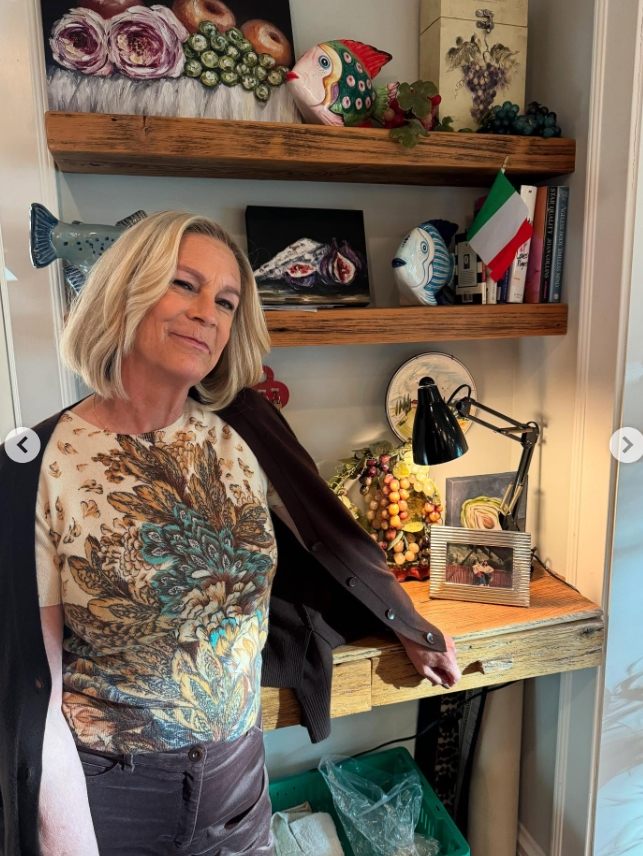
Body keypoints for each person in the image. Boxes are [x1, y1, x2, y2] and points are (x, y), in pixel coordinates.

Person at [0, 211, 461, 856]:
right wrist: (64, 839)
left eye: (225, 301)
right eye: (184, 284)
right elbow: (35, 693)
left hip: (237, 784)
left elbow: (329, 532)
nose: (207, 314)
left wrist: (406, 623)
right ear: (126, 291)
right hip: (112, 796)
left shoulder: (243, 427)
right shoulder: (38, 463)